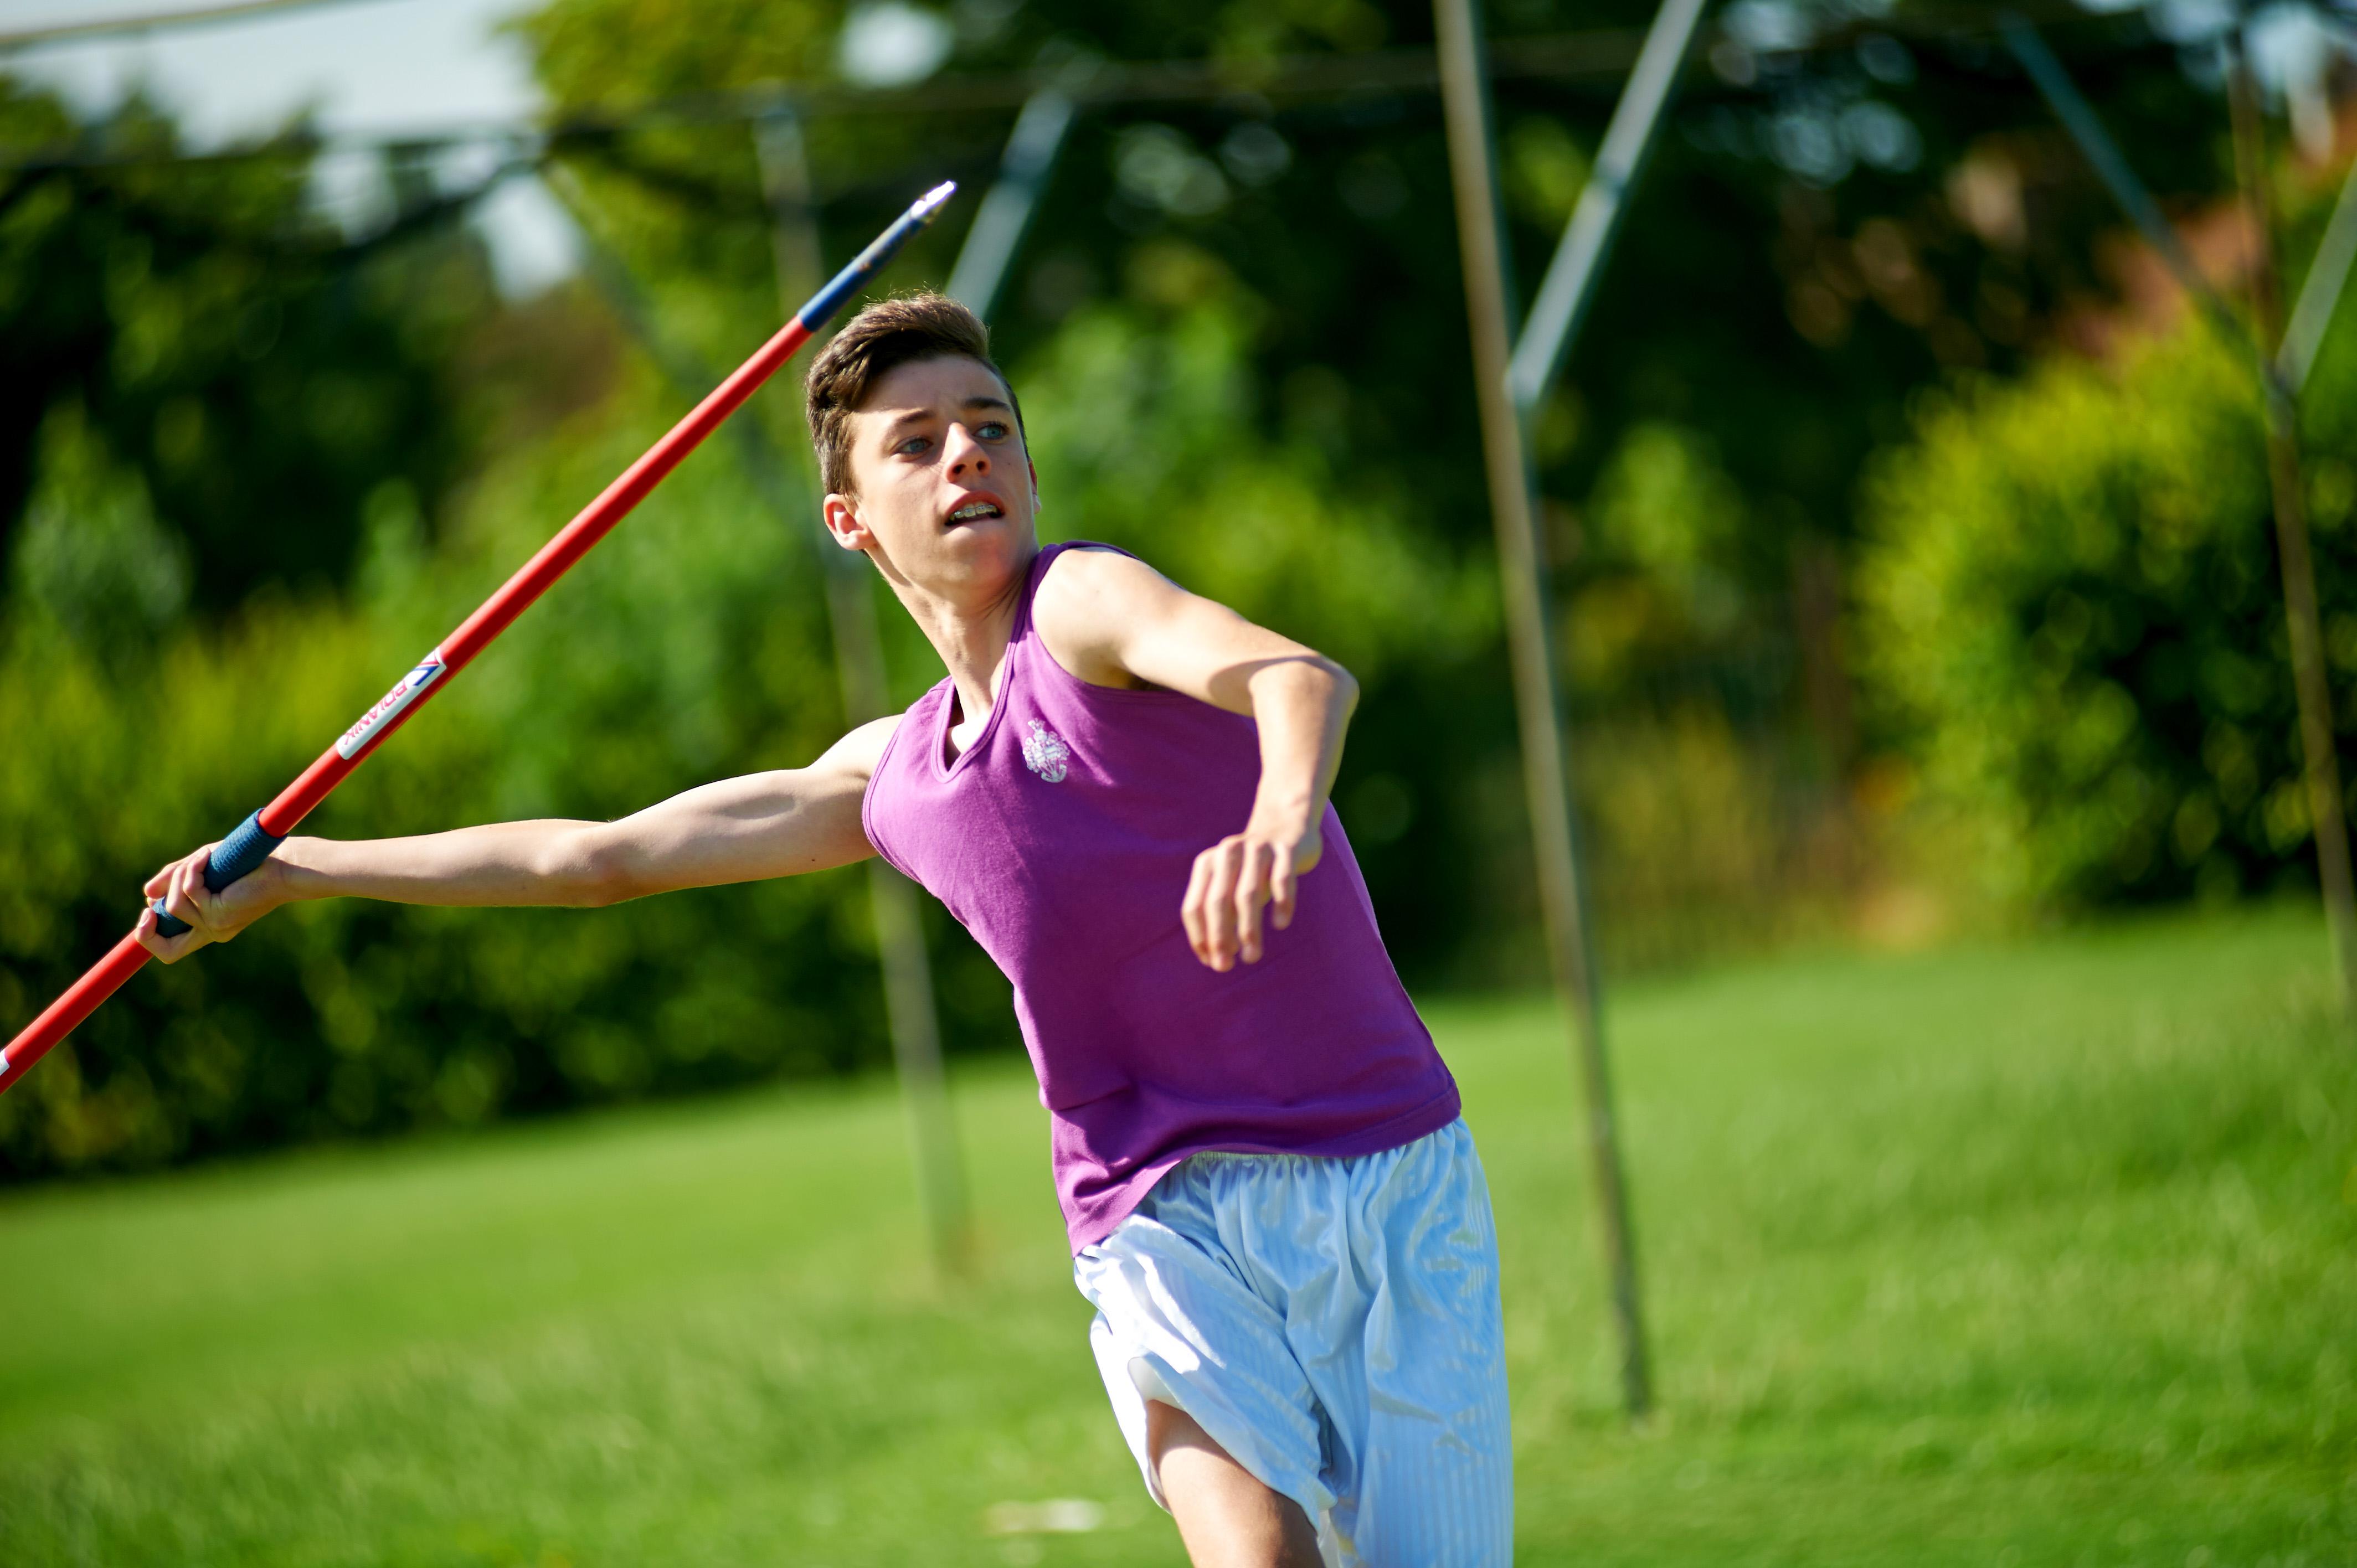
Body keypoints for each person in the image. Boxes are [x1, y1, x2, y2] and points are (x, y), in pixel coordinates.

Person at [136, 293, 1511, 1568]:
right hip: (1154, 1219)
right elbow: (596, 860)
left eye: (990, 429)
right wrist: (301, 869)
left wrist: (1280, 817)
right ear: (849, 519)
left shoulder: (1083, 606)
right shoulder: (892, 779)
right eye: (917, 443)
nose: (966, 455)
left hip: (1381, 1175)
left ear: (1030, 471)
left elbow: (1295, 678)